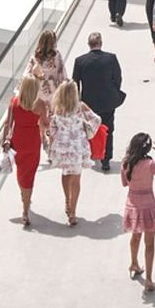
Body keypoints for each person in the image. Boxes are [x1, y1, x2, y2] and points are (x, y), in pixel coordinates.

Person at [122, 132, 155, 293]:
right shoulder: (150, 164)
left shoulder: (126, 163)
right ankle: (149, 279)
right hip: (148, 205)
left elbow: (124, 183)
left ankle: (134, 263)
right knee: (149, 244)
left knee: (135, 236)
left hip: (132, 205)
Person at [49, 80, 100, 226]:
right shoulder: (80, 107)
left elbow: (52, 129)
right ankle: (72, 212)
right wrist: (87, 128)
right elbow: (97, 119)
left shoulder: (57, 109)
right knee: (76, 180)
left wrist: (55, 137)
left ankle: (67, 201)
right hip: (77, 147)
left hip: (63, 148)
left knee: (66, 174)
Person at [0, 74, 45, 227]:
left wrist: (5, 141)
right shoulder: (40, 104)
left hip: (18, 141)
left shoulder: (14, 103)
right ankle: (25, 208)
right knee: (29, 175)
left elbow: (7, 124)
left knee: (21, 172)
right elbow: (45, 123)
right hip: (33, 141)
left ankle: (24, 197)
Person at [72, 33, 123, 172]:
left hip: (88, 103)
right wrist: (114, 92)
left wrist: (77, 101)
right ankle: (106, 159)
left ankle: (92, 153)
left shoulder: (80, 61)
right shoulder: (111, 58)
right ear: (101, 43)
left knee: (89, 129)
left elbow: (75, 83)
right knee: (108, 129)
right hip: (107, 101)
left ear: (89, 44)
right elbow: (118, 78)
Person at [26, 29, 64, 148]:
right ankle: (51, 141)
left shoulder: (35, 57)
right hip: (52, 90)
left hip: (39, 90)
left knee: (41, 115)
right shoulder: (56, 56)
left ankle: (42, 135)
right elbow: (62, 73)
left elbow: (27, 74)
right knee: (52, 116)